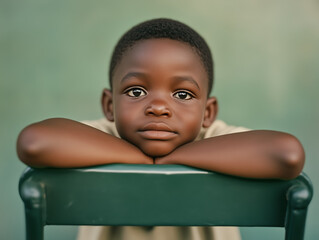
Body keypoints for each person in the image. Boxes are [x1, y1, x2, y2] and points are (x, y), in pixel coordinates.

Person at [17, 18, 305, 240]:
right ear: (109, 105)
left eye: (182, 95)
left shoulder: (215, 137)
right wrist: (140, 158)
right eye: (136, 91)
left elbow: (287, 154)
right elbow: (33, 142)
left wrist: (169, 160)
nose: (157, 107)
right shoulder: (103, 135)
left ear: (208, 112)